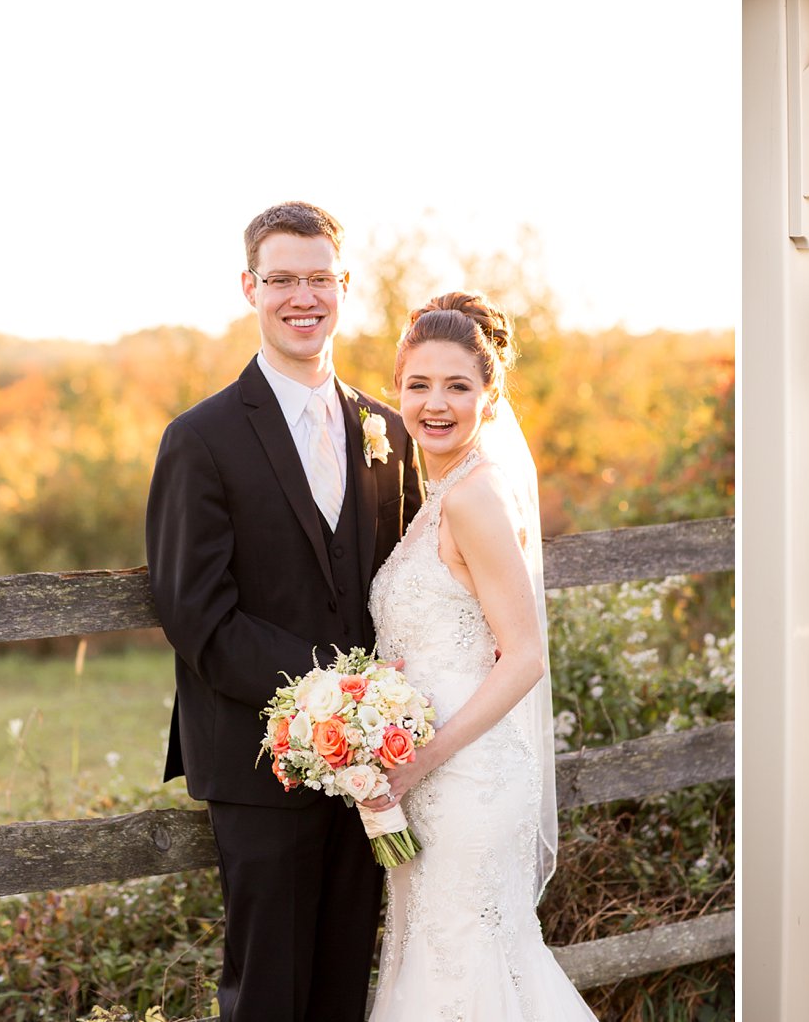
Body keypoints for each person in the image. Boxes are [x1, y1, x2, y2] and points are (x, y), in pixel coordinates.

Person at [146, 201, 423, 1021]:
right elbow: (197, 614)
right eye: (281, 279)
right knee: (267, 990)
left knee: (345, 978)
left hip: (371, 765)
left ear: (345, 286)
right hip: (259, 759)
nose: (302, 297)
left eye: (319, 278)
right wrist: (327, 703)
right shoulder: (200, 438)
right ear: (249, 287)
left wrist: (377, 724)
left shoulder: (386, 429)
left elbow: (399, 587)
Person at [362, 292, 595, 1019]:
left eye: (457, 386)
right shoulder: (439, 497)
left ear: (488, 396)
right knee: (431, 965)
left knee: (466, 970)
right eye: (419, 384)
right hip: (420, 780)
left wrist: (423, 757)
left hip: (468, 783)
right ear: (398, 387)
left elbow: (523, 657)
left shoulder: (476, 498)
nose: (436, 403)